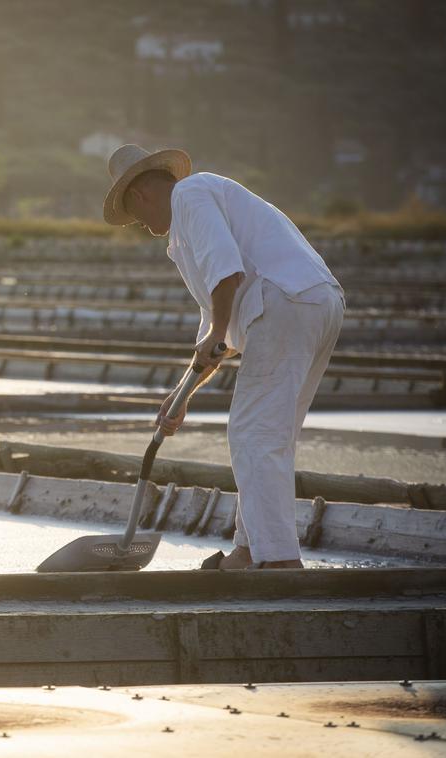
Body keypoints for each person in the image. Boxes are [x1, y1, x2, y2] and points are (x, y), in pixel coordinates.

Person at [102, 144, 344, 569]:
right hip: (312, 301)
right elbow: (215, 322)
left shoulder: (191, 194)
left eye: (137, 218)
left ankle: (279, 563)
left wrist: (216, 331)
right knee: (270, 435)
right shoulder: (186, 228)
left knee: (254, 434)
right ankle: (251, 551)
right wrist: (183, 395)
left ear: (139, 195)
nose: (143, 226)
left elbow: (226, 270)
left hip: (285, 301)